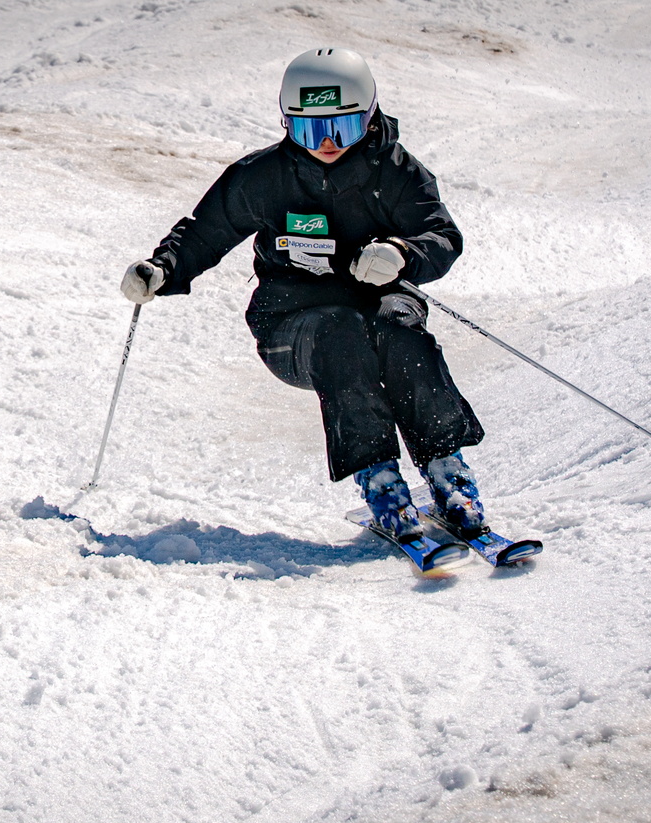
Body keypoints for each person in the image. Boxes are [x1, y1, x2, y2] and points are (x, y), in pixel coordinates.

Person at [120, 47, 487, 542]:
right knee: (340, 333)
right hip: (291, 327)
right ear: (288, 124)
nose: (329, 143)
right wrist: (161, 268)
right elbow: (206, 231)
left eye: (345, 127)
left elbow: (441, 235)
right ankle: (381, 483)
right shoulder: (264, 177)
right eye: (312, 130)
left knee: (401, 329)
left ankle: (449, 474)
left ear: (371, 116)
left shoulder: (397, 173)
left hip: (379, 306)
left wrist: (403, 252)